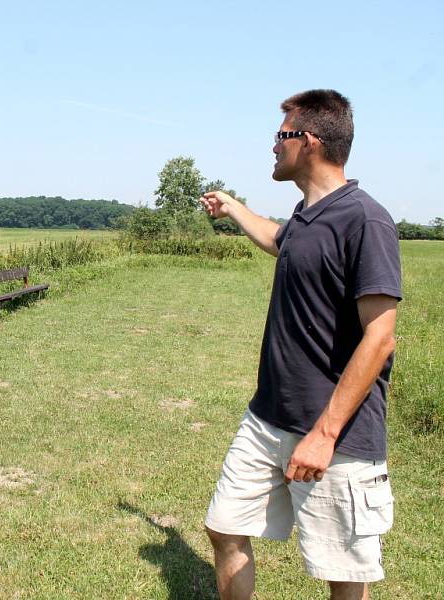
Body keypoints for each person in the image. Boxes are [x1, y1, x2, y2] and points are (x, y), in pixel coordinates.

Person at [200, 90, 401, 600]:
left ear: (308, 141)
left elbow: (380, 337)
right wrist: (233, 207)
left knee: (344, 573)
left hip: (334, 434)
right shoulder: (306, 218)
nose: (273, 146)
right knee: (224, 526)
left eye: (280, 135)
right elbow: (278, 239)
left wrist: (324, 434)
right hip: (268, 416)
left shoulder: (364, 219)